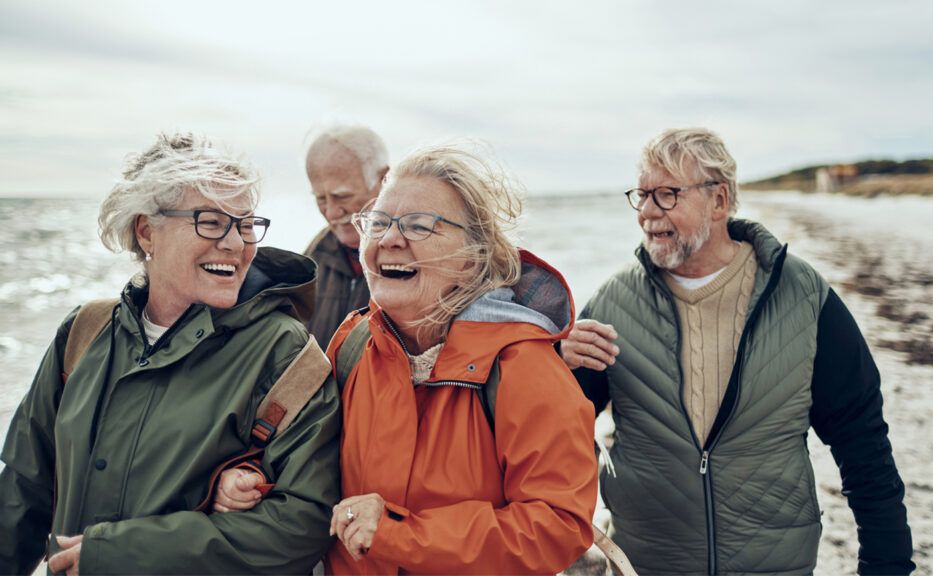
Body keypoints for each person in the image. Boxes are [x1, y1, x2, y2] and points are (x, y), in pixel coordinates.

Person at [217, 144, 599, 574]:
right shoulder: (353, 343)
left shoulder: (523, 367)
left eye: (420, 226)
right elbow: (298, 461)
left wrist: (400, 534)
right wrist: (245, 482)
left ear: (474, 254)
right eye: (378, 222)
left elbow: (558, 526)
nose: (389, 239)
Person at [561, 128, 915, 575]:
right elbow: (554, 434)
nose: (647, 212)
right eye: (642, 195)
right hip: (646, 565)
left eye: (667, 194)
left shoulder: (801, 296)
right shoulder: (613, 303)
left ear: (719, 201)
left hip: (774, 565)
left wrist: (887, 565)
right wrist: (557, 367)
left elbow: (863, 443)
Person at [0, 133, 340, 574]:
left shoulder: (285, 353)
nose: (236, 244)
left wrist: (119, 554)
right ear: (147, 232)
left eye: (245, 223)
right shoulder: (85, 332)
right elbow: (23, 490)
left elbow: (302, 524)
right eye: (211, 222)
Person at [304, 124, 389, 348]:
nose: (331, 213)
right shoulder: (313, 258)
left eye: (342, 196)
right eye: (321, 198)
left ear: (384, 180)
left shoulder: (416, 257)